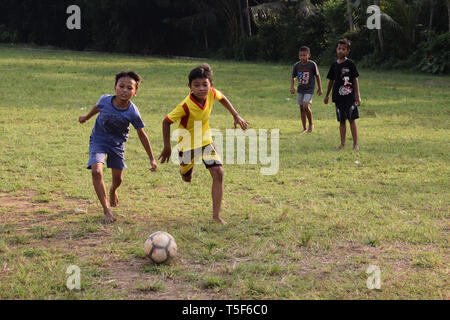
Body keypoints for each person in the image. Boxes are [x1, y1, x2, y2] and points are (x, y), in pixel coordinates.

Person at [158, 63, 248, 225]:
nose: (201, 88)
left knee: (218, 172)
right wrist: (167, 146)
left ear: (210, 85)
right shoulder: (185, 105)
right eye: (196, 85)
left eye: (204, 84)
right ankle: (185, 171)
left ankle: (216, 215)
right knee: (187, 178)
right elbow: (166, 121)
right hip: (187, 146)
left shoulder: (212, 93)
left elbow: (222, 98)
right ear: (190, 87)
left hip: (206, 142)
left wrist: (236, 115)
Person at [79, 71, 158, 223]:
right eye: (121, 86)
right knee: (96, 171)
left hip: (117, 145)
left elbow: (142, 134)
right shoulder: (105, 100)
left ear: (135, 92)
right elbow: (97, 107)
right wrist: (86, 117)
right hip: (99, 139)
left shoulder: (133, 112)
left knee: (118, 179)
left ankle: (113, 189)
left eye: (129, 88)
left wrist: (152, 158)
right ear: (115, 87)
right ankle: (106, 210)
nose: (124, 90)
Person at [324, 39, 362, 150]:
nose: (341, 51)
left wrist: (358, 96)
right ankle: (342, 144)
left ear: (347, 51)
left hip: (350, 96)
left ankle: (355, 144)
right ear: (336, 49)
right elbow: (331, 81)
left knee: (352, 119)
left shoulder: (350, 64)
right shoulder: (334, 65)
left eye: (343, 49)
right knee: (341, 121)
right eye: (339, 48)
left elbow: (355, 79)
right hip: (338, 97)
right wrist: (327, 95)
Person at [290, 46, 323, 133]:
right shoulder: (296, 65)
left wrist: (320, 88)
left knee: (305, 106)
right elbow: (293, 77)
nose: (302, 57)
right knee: (301, 108)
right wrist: (292, 86)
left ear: (309, 55)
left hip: (309, 89)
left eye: (304, 55)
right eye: (300, 55)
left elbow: (317, 76)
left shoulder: (312, 64)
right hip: (300, 89)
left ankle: (311, 124)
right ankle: (304, 128)